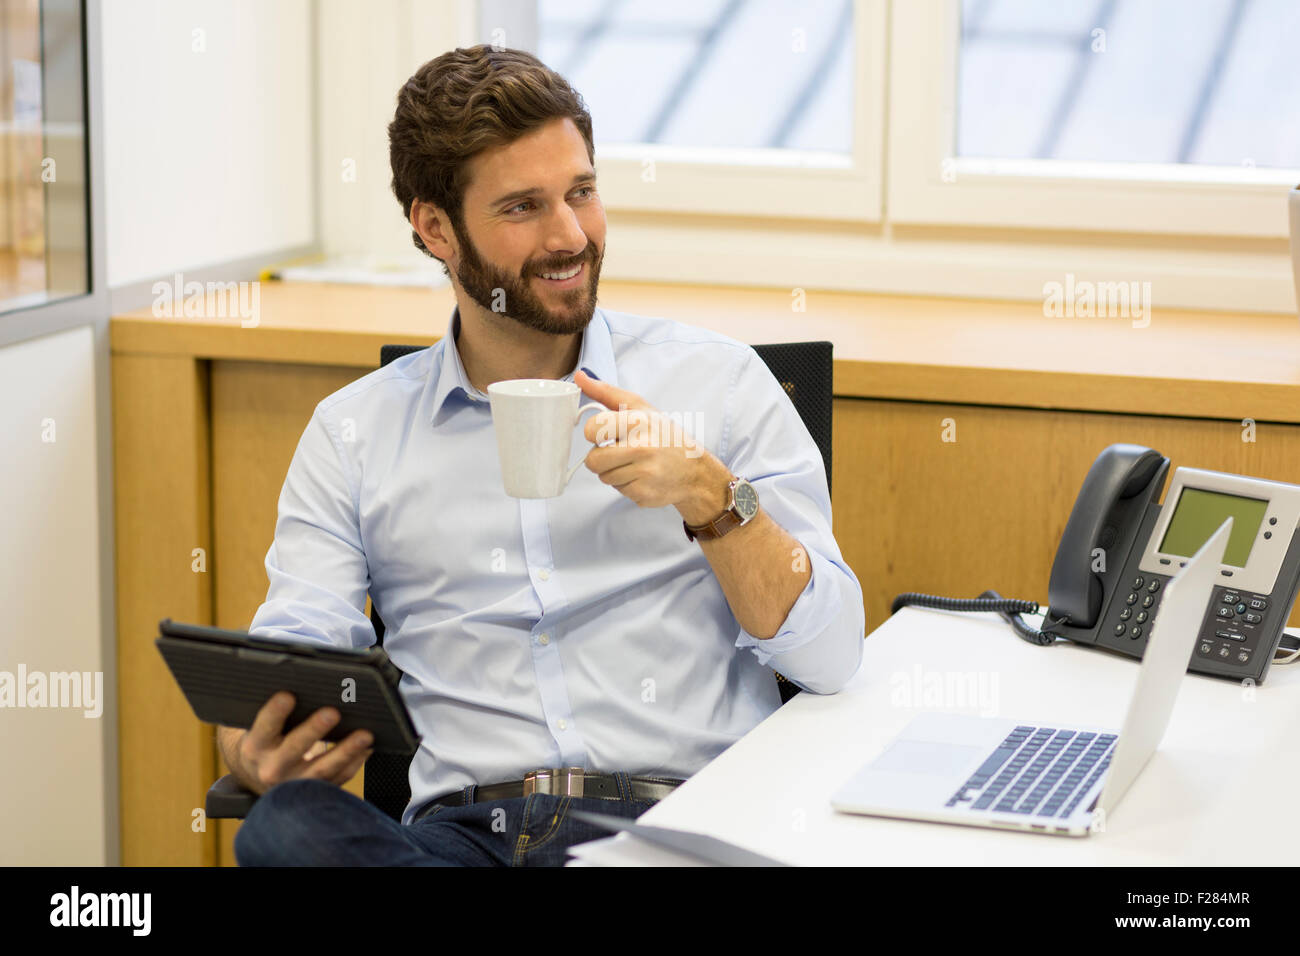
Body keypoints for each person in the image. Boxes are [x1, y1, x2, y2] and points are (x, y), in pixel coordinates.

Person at [222, 45, 864, 866]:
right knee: (286, 827)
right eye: (523, 207)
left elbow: (834, 656)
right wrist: (256, 742)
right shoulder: (353, 434)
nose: (571, 237)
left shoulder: (719, 382)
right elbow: (300, 648)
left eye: (582, 193)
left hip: (675, 827)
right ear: (435, 229)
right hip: (466, 841)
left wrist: (712, 496)